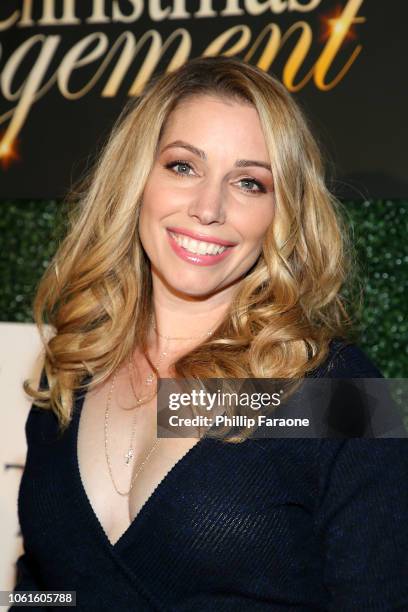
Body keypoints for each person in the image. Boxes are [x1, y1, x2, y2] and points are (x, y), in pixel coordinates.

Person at [12, 57, 407, 611]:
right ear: (135, 178)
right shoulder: (73, 367)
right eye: (182, 167)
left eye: (249, 182)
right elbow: (47, 588)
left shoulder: (339, 391)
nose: (208, 208)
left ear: (281, 212)